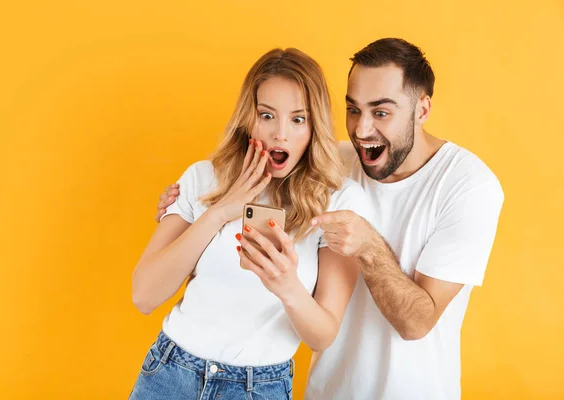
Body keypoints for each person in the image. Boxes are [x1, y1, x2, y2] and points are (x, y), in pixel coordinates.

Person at [156, 38, 504, 400]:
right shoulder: (333, 164)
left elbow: (417, 323)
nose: (362, 130)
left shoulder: (468, 186)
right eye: (353, 110)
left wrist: (368, 246)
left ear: (422, 109)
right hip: (327, 389)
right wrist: (185, 210)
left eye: (381, 112)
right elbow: (240, 192)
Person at [131, 48, 372, 400]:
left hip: (258, 388)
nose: (280, 135)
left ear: (314, 126)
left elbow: (322, 335)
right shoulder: (203, 178)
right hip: (170, 374)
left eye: (298, 119)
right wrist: (219, 212)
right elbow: (144, 296)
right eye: (267, 115)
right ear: (249, 117)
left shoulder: (339, 202)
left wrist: (287, 285)